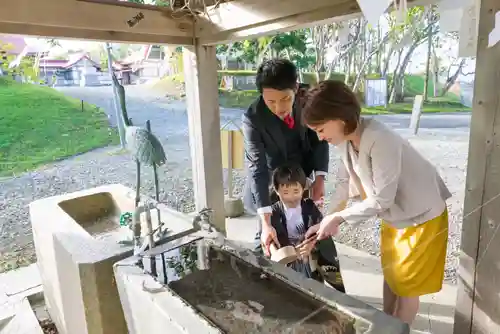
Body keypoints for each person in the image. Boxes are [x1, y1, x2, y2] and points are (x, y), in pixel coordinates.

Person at [301, 80, 451, 326]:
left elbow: (382, 198)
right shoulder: (346, 141)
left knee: (407, 285)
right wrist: (325, 220)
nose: (320, 137)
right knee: (392, 277)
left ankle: (395, 330)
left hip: (421, 216)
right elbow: (343, 186)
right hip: (395, 216)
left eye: (320, 129)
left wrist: (339, 218)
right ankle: (385, 325)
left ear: (338, 116)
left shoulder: (380, 138)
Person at [242, 59, 329, 255]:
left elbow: (320, 140)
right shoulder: (253, 118)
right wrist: (265, 222)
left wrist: (320, 179)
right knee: (268, 238)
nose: (278, 108)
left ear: (296, 89)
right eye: (270, 101)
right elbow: (257, 167)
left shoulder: (309, 99)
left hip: (301, 180)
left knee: (304, 235)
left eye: (285, 99)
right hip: (271, 181)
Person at [256, 165, 346, 293]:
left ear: (303, 188)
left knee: (313, 287)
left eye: (296, 191)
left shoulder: (309, 207)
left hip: (308, 252)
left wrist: (311, 244)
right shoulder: (273, 211)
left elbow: (321, 228)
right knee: (287, 289)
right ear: (276, 190)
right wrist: (277, 252)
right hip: (287, 254)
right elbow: (268, 238)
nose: (291, 197)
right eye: (285, 192)